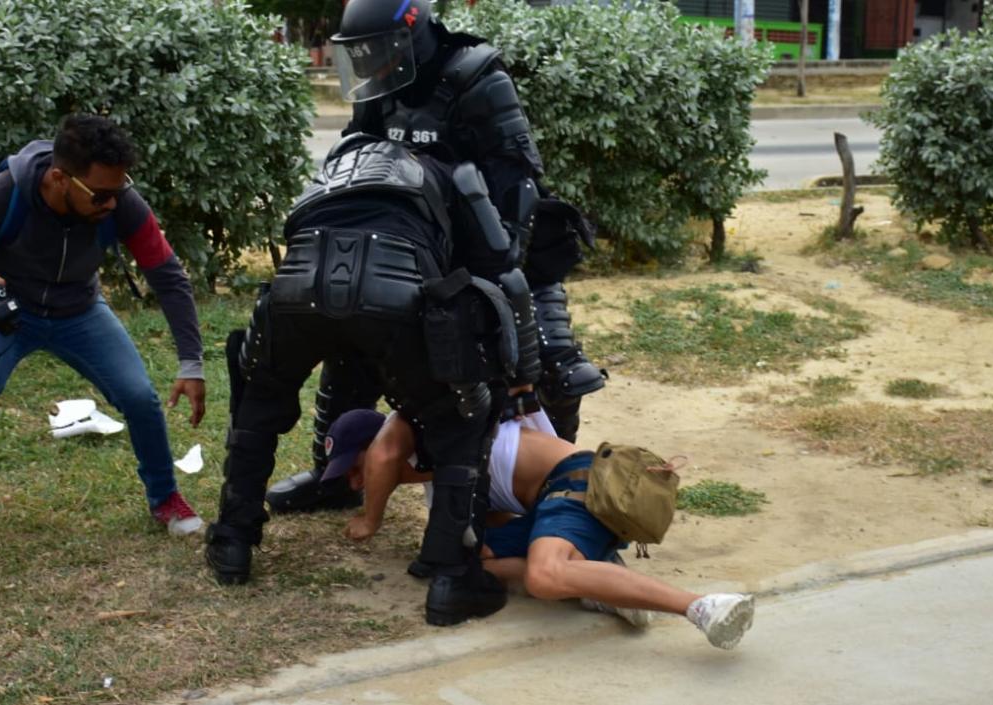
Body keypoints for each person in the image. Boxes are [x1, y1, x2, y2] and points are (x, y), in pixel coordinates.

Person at [264, 0, 605, 515]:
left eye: (378, 50)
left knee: (555, 364)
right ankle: (334, 475)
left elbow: (519, 180)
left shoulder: (475, 78)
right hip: (417, 241)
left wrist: (502, 258)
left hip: (497, 245)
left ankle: (558, 486)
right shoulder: (382, 86)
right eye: (361, 53)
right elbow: (356, 153)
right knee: (352, 334)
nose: (370, 63)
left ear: (411, 33)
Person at [205, 134, 544, 626]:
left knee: (257, 404)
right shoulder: (455, 172)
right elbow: (500, 264)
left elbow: (295, 225)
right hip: (394, 289)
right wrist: (521, 374)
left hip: (297, 283)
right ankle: (451, 573)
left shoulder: (343, 163)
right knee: (461, 420)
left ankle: (233, 543)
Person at [0, 114, 206, 534]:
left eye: (118, 190)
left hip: (80, 310)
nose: (112, 203)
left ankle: (165, 497)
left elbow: (167, 275)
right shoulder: (6, 193)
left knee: (138, 396)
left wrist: (191, 363)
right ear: (60, 178)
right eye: (100, 195)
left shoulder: (121, 199)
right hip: (9, 314)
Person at [333, 408, 757, 650]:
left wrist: (370, 518)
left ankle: (702, 606)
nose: (356, 482)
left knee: (544, 574)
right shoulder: (444, 473)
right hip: (551, 505)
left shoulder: (439, 422)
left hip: (577, 483)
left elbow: (387, 455)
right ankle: (598, 579)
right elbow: (491, 531)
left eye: (357, 468)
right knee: (470, 563)